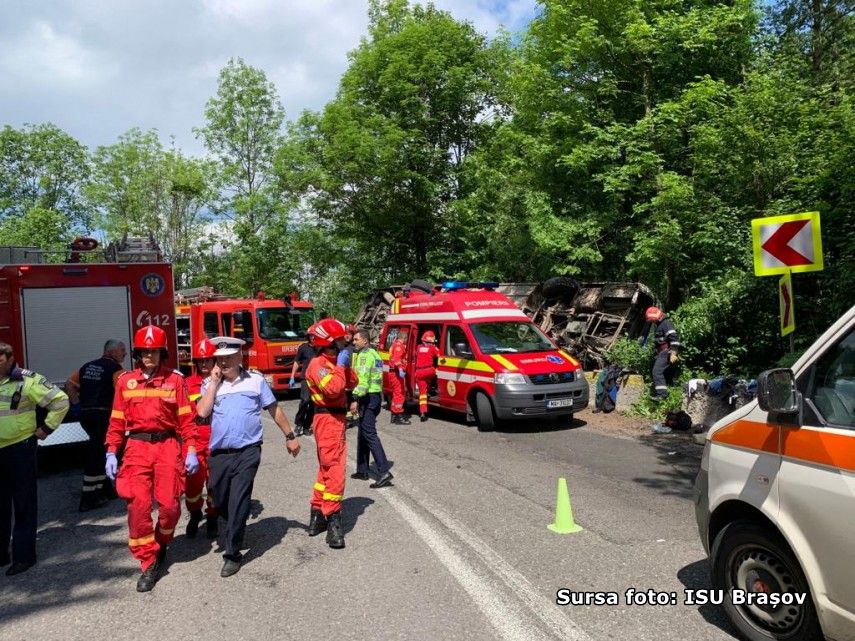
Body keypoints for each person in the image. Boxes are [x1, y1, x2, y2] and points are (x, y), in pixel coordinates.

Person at [196, 337, 300, 578]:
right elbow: (202, 412)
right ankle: (233, 524)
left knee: (239, 500)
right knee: (219, 501)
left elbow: (274, 409)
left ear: (240, 357)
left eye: (228, 358)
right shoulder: (209, 384)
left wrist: (290, 435)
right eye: (219, 359)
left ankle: (232, 553)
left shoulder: (255, 381)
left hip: (248, 451)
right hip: (220, 454)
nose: (223, 363)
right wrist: (213, 383)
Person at [105, 325, 198, 592]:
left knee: (170, 506)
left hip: (167, 446)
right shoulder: (125, 382)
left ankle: (162, 541)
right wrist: (111, 451)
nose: (150, 356)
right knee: (138, 506)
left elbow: (186, 421)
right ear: (138, 353)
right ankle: (148, 561)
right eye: (145, 352)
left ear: (162, 353)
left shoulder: (175, 381)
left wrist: (191, 448)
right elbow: (116, 421)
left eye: (154, 351)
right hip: (136, 448)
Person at [0, 342, 69, 576]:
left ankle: (24, 557)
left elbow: (60, 401)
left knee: (23, 505)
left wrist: (46, 429)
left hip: (20, 448)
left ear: (9, 359)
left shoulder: (27, 380)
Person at [304, 319, 358, 548]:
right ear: (329, 341)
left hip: (334, 419)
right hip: (327, 419)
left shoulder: (333, 362)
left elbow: (352, 382)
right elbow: (335, 389)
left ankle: (316, 514)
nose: (345, 343)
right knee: (335, 469)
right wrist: (341, 367)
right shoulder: (318, 364)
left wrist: (343, 365)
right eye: (340, 340)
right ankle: (333, 519)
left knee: (325, 469)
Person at [67, 339, 126, 512]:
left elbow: (69, 384)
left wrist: (77, 404)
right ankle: (89, 497)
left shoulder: (86, 366)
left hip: (86, 415)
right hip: (103, 415)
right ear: (113, 352)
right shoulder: (116, 370)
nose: (124, 354)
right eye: (122, 351)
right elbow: (124, 392)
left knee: (101, 450)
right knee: (98, 454)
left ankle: (106, 489)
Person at [184, 338, 218, 538]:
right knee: (193, 484)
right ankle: (195, 513)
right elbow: (183, 415)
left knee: (214, 483)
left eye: (208, 360)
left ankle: (212, 516)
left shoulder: (220, 382)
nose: (204, 364)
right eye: (200, 361)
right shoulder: (187, 384)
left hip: (215, 438)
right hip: (195, 440)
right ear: (195, 363)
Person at [350, 330, 393, 488]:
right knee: (362, 434)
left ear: (365, 341)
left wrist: (354, 398)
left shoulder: (364, 356)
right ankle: (362, 469)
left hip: (367, 397)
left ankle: (383, 471)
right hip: (375, 396)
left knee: (369, 434)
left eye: (356, 339)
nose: (354, 342)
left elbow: (363, 380)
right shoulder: (375, 354)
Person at [638, 307, 681, 401]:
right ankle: (670, 394)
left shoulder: (666, 323)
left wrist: (673, 352)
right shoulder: (659, 324)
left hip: (667, 352)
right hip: (661, 352)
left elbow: (674, 338)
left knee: (656, 371)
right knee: (667, 374)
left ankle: (662, 395)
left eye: (652, 320)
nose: (652, 322)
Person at [289, 334, 315, 436]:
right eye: (312, 336)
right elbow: (296, 362)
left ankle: (306, 426)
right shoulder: (303, 347)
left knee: (313, 403)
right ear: (308, 337)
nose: (314, 338)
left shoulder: (320, 348)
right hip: (305, 378)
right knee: (305, 400)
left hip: (317, 379)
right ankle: (299, 422)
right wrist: (292, 376)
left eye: (315, 336)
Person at [413, 331, 439, 422]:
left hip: (419, 372)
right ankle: (433, 388)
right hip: (429, 371)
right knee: (438, 372)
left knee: (422, 394)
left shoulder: (418, 347)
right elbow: (440, 356)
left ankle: (423, 412)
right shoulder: (432, 347)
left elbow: (416, 355)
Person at [388, 329, 410, 425]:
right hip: (396, 373)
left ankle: (393, 414)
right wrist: (401, 369)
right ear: (404, 338)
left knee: (395, 393)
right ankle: (399, 415)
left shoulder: (395, 344)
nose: (406, 340)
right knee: (400, 394)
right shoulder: (399, 346)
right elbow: (397, 359)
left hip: (393, 372)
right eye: (406, 338)